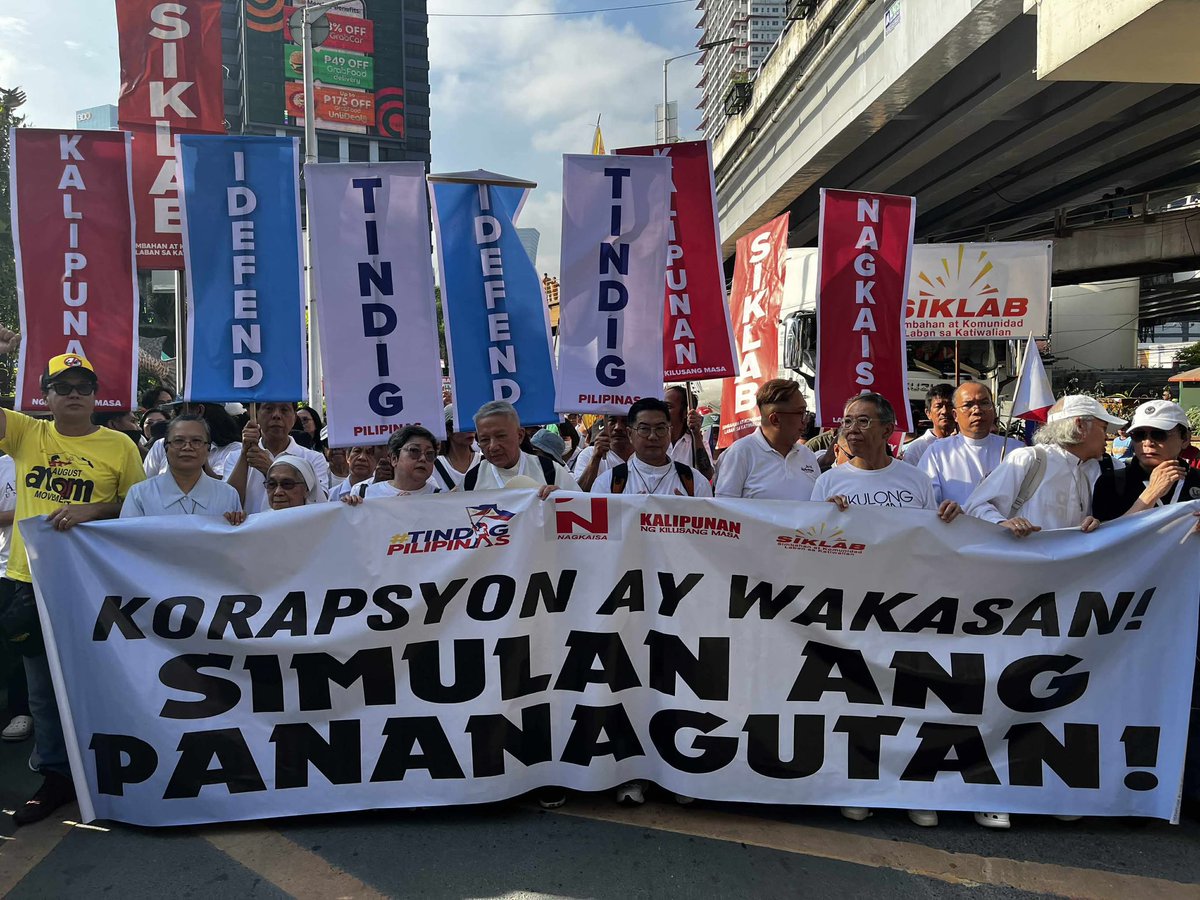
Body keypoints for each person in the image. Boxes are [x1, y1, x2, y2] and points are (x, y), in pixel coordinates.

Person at [0, 341, 145, 826]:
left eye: (84, 387)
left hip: (93, 585)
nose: (74, 394)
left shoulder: (120, 446)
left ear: (96, 396)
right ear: (45, 396)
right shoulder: (25, 434)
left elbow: (137, 507)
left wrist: (94, 509)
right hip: (32, 581)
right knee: (40, 687)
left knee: (102, 676)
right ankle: (57, 775)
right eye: (63, 387)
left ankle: (113, 761)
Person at [810, 392, 960, 830]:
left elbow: (932, 542)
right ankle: (862, 786)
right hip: (853, 610)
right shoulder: (828, 482)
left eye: (862, 421)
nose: (851, 429)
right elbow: (812, 542)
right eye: (846, 421)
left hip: (906, 607)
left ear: (887, 428)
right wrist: (825, 517)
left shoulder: (915, 480)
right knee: (858, 702)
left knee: (910, 699)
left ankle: (914, 789)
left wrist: (951, 516)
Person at [965, 396, 1125, 537]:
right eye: (1103, 428)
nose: (1107, 437)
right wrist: (1002, 523)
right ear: (1080, 426)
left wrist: (1095, 523)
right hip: (1022, 566)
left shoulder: (1097, 468)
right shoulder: (1029, 459)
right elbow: (975, 505)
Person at [120, 415, 244, 523]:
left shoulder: (228, 494)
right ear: (166, 447)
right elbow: (127, 543)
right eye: (179, 441)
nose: (187, 447)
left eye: (196, 441)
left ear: (208, 448)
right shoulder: (139, 495)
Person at [714, 378, 821, 500]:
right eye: (801, 413)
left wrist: (831, 505)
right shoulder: (739, 454)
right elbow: (724, 510)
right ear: (775, 419)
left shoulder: (808, 456)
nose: (806, 420)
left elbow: (817, 505)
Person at [1093, 400, 1200, 520]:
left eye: (1159, 434)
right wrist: (1152, 493)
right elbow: (1106, 537)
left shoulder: (1197, 480)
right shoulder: (1110, 483)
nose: (1148, 443)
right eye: (1139, 435)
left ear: (1185, 439)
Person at [919, 383, 1018, 507]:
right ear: (955, 415)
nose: (977, 410)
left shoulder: (1016, 450)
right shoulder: (938, 452)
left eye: (984, 403)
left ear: (993, 409)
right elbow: (926, 503)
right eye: (968, 405)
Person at [593, 398, 712, 498]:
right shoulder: (607, 484)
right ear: (630, 434)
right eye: (644, 429)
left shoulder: (696, 482)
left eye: (660, 428)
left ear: (669, 431)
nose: (653, 436)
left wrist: (689, 514)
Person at [457, 401, 578, 497]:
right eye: (484, 440)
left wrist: (562, 501)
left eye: (501, 436)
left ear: (520, 435)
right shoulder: (472, 480)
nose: (493, 446)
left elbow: (583, 513)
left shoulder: (550, 472)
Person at [227, 402, 330, 513]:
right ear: (256, 415)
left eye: (284, 410)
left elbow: (319, 505)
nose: (276, 415)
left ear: (294, 418)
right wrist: (244, 454)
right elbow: (228, 504)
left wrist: (271, 469)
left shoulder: (313, 459)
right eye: (269, 409)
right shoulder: (235, 457)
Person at [0, 453, 29, 744]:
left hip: (66, 569)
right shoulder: (3, 466)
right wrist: (28, 510)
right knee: (16, 644)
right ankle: (20, 710)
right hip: (9, 569)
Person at [362, 427, 441, 499]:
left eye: (429, 453)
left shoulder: (441, 498)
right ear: (394, 459)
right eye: (414, 451)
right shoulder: (368, 494)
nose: (423, 459)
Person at [665, 385, 715, 481]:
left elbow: (707, 475)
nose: (662, 411)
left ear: (685, 412)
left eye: (668, 406)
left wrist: (696, 434)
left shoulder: (697, 441)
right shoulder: (654, 440)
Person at [573, 414, 633, 491]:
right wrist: (595, 458)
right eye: (612, 421)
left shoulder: (644, 456)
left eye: (625, 422)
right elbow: (580, 494)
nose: (618, 427)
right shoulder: (589, 454)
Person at [900, 384, 955, 468]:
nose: (944, 411)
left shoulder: (968, 444)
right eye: (938, 406)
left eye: (950, 405)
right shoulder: (917, 448)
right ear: (928, 413)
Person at [432, 405, 480, 492]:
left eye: (472, 423)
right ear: (447, 430)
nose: (469, 429)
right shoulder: (433, 466)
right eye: (461, 424)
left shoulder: (485, 463)